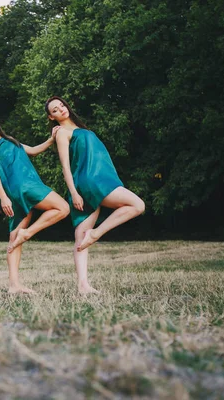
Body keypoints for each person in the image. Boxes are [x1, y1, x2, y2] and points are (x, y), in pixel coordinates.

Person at [45, 96, 145, 293]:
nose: (61, 109)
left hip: (98, 179)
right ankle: (96, 234)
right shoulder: (62, 133)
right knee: (137, 205)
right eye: (55, 110)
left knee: (81, 237)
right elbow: (65, 167)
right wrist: (73, 193)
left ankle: (83, 285)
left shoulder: (81, 129)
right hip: (90, 182)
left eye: (62, 105)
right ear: (51, 117)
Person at [0, 106, 69, 294]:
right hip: (23, 186)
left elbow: (32, 150)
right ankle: (28, 233)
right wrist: (3, 198)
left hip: (22, 186)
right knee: (62, 208)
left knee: (14, 237)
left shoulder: (8, 139)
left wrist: (51, 138)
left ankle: (14, 285)